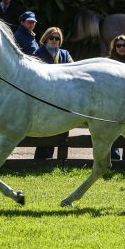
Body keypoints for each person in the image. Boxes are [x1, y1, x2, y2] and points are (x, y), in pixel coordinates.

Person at [33, 27, 73, 159]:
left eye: (57, 38)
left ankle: (59, 160)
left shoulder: (65, 54)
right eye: (52, 37)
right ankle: (41, 160)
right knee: (46, 129)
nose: (54, 40)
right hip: (44, 98)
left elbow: (73, 70)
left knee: (62, 128)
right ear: (45, 39)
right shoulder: (37, 54)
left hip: (62, 97)